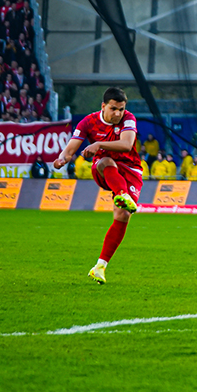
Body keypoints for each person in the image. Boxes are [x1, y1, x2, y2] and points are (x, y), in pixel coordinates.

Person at [53, 87, 142, 284]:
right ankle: (122, 194)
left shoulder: (128, 119)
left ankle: (100, 267)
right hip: (104, 168)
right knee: (105, 161)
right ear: (103, 106)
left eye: (121, 109)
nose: (118, 113)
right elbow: (70, 150)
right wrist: (61, 159)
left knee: (123, 215)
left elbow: (127, 144)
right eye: (113, 109)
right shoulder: (88, 122)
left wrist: (98, 144)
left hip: (130, 169)